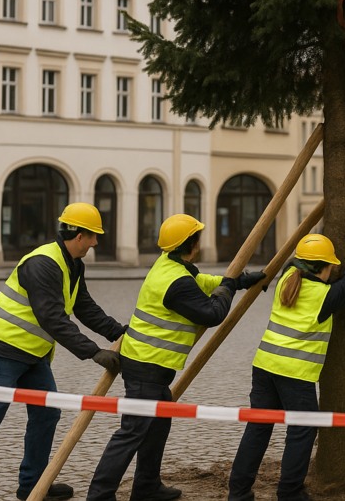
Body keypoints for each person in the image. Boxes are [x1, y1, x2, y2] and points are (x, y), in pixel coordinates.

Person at [0, 203, 127, 501]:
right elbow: (52, 317)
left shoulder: (73, 263)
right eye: (93, 236)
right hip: (3, 350)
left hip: (32, 355)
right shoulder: (43, 263)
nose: (96, 242)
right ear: (78, 236)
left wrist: (118, 332)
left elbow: (84, 307)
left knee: (47, 414)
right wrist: (93, 352)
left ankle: (33, 486)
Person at [86, 214, 266, 501]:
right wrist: (228, 289)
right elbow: (212, 314)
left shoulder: (169, 265)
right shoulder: (176, 282)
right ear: (191, 244)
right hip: (146, 366)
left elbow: (204, 282)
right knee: (132, 433)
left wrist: (239, 280)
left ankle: (146, 486)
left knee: (158, 425)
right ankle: (99, 496)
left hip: (151, 366)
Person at [228, 227, 345, 501]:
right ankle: (289, 492)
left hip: (264, 366)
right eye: (331, 266)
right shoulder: (323, 297)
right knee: (302, 429)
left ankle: (239, 492)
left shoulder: (287, 279)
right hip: (295, 373)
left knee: (258, 428)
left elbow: (296, 261)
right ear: (326, 267)